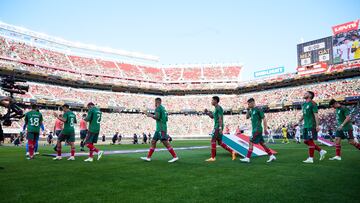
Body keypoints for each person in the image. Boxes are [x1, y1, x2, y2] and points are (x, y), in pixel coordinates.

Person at [141, 98, 178, 163]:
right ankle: (148, 157)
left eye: (155, 102)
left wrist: (148, 114)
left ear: (157, 102)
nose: (154, 104)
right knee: (153, 142)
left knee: (166, 143)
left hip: (161, 129)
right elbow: (166, 119)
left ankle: (175, 156)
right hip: (160, 128)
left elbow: (157, 117)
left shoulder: (158, 108)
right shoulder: (163, 109)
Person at [240, 98, 276, 163]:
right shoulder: (251, 110)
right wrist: (248, 110)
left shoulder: (258, 109)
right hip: (255, 130)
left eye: (248, 104)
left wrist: (265, 129)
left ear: (252, 103)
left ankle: (247, 158)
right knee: (262, 144)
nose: (248, 105)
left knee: (250, 142)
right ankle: (271, 155)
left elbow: (264, 119)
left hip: (257, 129)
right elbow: (247, 117)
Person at [204, 96, 236, 162]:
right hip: (218, 126)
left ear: (215, 101)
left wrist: (220, 128)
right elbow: (212, 117)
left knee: (213, 140)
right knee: (220, 142)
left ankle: (213, 157)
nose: (211, 101)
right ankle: (232, 151)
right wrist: (207, 113)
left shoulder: (218, 108)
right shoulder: (215, 108)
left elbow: (220, 118)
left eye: (212, 100)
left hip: (218, 126)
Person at [298, 91, 327, 164]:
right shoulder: (304, 104)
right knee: (305, 141)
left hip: (311, 125)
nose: (304, 94)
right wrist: (299, 121)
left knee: (310, 141)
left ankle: (311, 158)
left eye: (306, 93)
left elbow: (316, 115)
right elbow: (304, 114)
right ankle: (321, 151)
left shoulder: (313, 104)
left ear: (310, 95)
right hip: (306, 125)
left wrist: (317, 125)